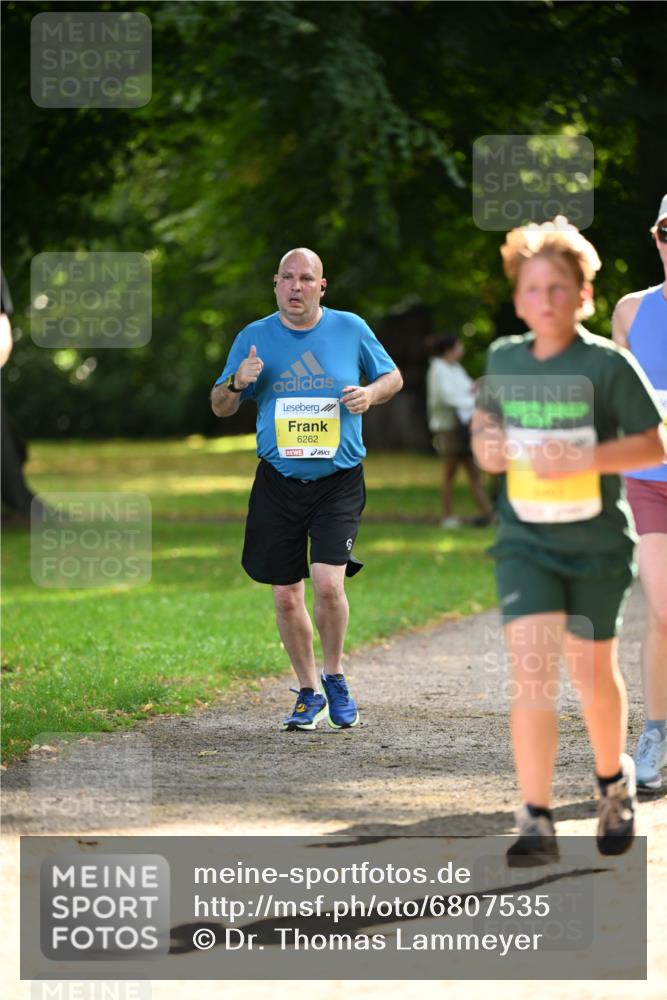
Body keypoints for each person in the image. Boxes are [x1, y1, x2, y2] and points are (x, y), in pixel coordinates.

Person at [472, 217, 665, 866]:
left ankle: (611, 784)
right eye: (533, 288)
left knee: (590, 673)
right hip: (524, 543)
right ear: (517, 296)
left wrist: (580, 458)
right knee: (531, 670)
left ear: (583, 295)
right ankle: (535, 816)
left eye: (560, 288)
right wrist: (491, 449)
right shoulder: (501, 358)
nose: (546, 300)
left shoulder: (606, 365)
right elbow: (484, 436)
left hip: (596, 546)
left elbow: (653, 443)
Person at [210, 247, 403, 731]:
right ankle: (307, 691)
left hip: (337, 480)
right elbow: (219, 407)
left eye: (306, 279)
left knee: (327, 583)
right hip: (278, 481)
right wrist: (236, 381)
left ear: (322, 286)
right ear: (275, 284)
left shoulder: (350, 328)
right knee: (285, 596)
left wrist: (370, 394)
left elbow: (392, 376)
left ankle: (334, 674)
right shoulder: (253, 338)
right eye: (287, 278)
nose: (296, 287)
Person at [612, 194, 667, 791]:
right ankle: (656, 731)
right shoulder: (630, 310)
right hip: (649, 482)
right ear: (656, 238)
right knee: (661, 609)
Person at [426, 334, 494, 527]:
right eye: (458, 346)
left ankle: (488, 513)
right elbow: (447, 398)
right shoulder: (438, 370)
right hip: (447, 428)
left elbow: (467, 389)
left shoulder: (455, 369)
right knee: (450, 472)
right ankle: (447, 516)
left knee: (473, 471)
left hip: (463, 427)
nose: (461, 350)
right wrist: (472, 400)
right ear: (449, 350)